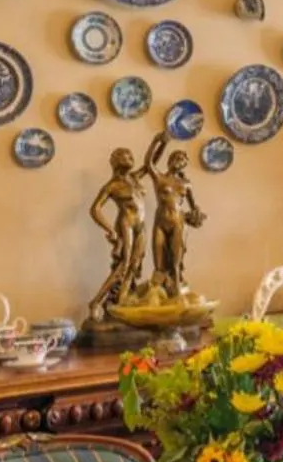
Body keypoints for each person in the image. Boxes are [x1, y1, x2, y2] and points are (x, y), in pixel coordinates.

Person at [86, 147, 147, 320]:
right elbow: (95, 209)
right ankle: (96, 302)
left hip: (141, 226)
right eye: (125, 155)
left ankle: (122, 302)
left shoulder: (135, 178)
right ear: (115, 161)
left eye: (131, 155)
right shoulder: (112, 186)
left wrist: (161, 141)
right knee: (124, 265)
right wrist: (110, 229)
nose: (130, 157)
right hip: (126, 224)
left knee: (135, 265)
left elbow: (151, 162)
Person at [144, 131, 205, 297]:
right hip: (160, 222)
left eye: (182, 161)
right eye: (176, 159)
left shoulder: (186, 184)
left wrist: (197, 214)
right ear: (170, 161)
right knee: (159, 262)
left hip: (178, 222)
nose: (179, 162)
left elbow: (194, 207)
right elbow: (148, 163)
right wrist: (157, 140)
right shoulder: (159, 178)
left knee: (176, 260)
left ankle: (177, 289)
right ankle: (157, 292)